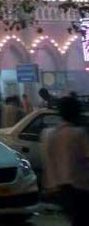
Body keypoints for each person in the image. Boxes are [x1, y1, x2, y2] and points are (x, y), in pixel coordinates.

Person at [40, 95, 88, 226]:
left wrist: (50, 185)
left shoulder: (50, 134)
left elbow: (48, 161)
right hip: (81, 187)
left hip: (62, 188)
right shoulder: (79, 133)